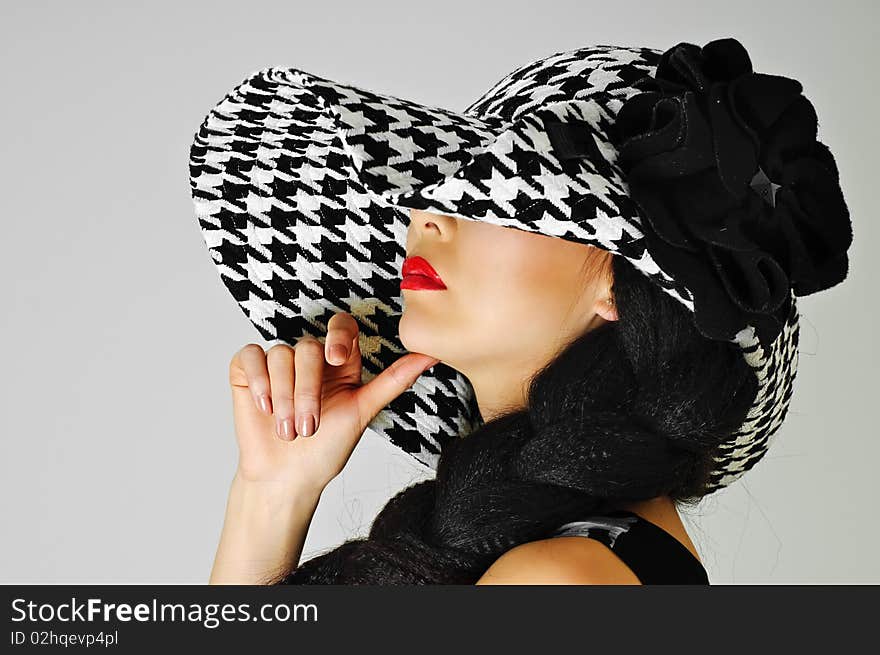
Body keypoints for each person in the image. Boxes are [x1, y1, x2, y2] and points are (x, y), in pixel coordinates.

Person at [191, 38, 853, 585]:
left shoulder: (559, 579)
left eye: (495, 195)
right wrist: (273, 492)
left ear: (619, 286)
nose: (426, 213)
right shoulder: (571, 561)